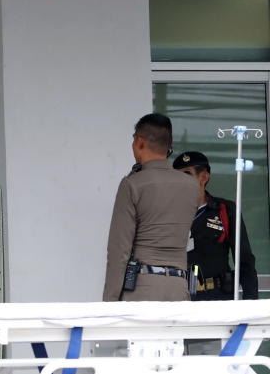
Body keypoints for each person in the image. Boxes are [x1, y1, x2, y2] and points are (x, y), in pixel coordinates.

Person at [102, 113, 198, 302]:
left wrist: (110, 303)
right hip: (179, 290)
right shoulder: (192, 186)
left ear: (139, 141)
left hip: (141, 291)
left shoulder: (132, 184)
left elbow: (119, 251)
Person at [173, 151, 258, 300]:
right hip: (178, 296)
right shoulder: (167, 211)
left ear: (204, 177)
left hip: (217, 296)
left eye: (186, 175)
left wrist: (249, 304)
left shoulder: (225, 209)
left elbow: (245, 260)